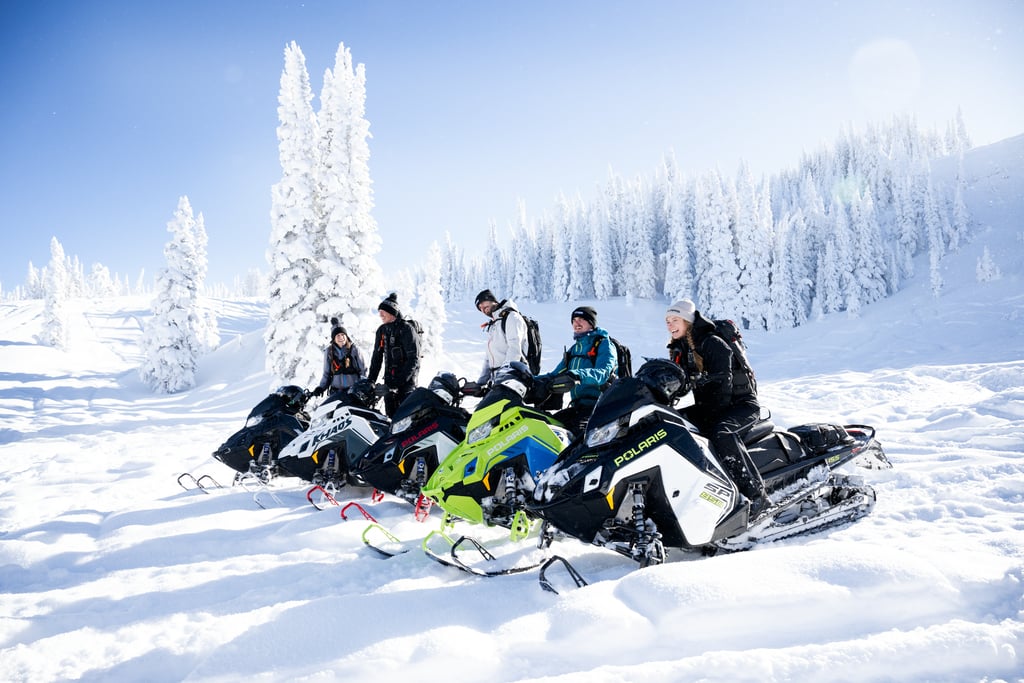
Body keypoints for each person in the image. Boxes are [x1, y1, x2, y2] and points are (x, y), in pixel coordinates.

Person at [664, 299, 771, 516]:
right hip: (710, 407)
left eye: (675, 319)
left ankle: (757, 496)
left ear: (687, 321)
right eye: (667, 321)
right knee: (670, 424)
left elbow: (724, 382)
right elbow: (682, 384)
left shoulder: (712, 342)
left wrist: (700, 385)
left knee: (722, 433)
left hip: (740, 405)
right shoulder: (681, 347)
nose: (670, 324)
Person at [534, 305, 617, 435]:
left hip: (599, 407)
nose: (576, 323)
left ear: (591, 323)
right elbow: (554, 375)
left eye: (581, 319)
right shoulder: (574, 350)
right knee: (546, 428)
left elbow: (603, 373)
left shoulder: (604, 344)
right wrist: (527, 380)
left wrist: (577, 375)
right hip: (578, 407)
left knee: (578, 436)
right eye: (574, 320)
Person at [367, 293, 421, 417]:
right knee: (391, 416)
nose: (380, 315)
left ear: (392, 312)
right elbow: (377, 358)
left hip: (406, 383)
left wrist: (398, 382)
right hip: (389, 381)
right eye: (379, 312)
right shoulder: (382, 330)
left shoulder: (406, 329)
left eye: (383, 312)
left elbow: (414, 359)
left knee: (405, 417)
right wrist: (371, 380)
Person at [466, 289, 528, 394]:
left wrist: (505, 375)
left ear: (492, 300)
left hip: (512, 381)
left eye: (483, 304)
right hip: (498, 382)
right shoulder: (494, 324)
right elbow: (488, 358)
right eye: (480, 308)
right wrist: (480, 383)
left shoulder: (511, 317)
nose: (483, 309)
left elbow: (515, 349)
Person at [311, 324, 367, 402]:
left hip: (353, 392)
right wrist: (321, 388)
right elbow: (326, 374)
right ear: (334, 338)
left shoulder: (354, 349)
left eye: (343, 334)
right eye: (338, 335)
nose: (341, 337)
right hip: (336, 393)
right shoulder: (329, 352)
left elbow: (363, 371)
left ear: (346, 336)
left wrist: (363, 387)